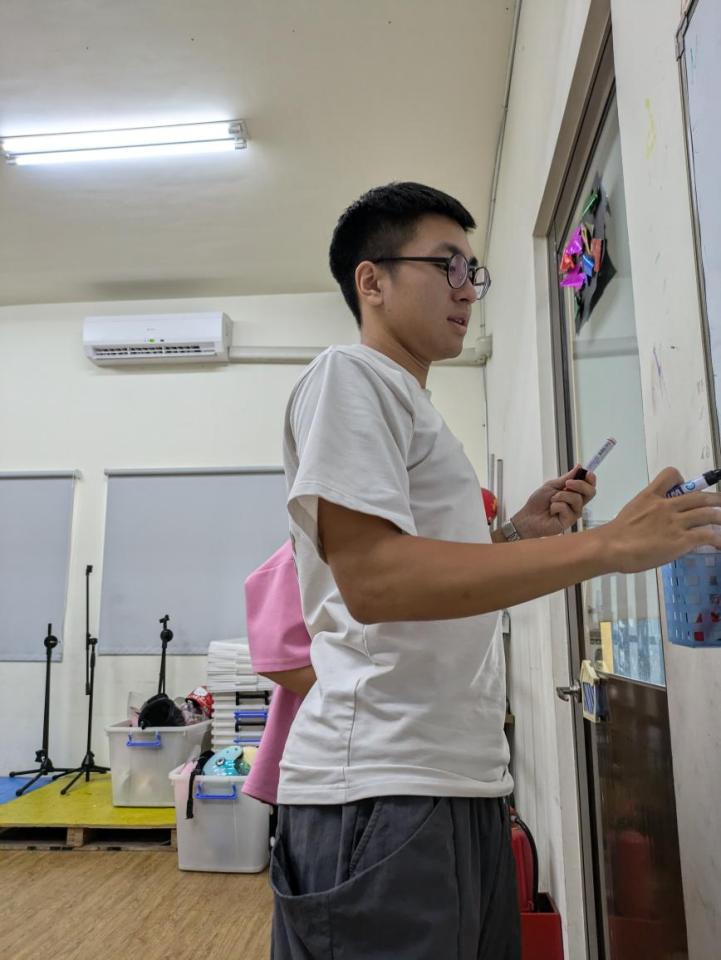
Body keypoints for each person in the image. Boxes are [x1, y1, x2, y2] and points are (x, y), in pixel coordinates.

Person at [269, 181, 721, 959]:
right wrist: (610, 545)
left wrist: (514, 536)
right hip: (380, 783)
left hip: (455, 780)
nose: (466, 289)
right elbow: (374, 583)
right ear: (370, 281)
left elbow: (423, 584)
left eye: (472, 271)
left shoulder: (416, 409)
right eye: (445, 265)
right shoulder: (350, 374)